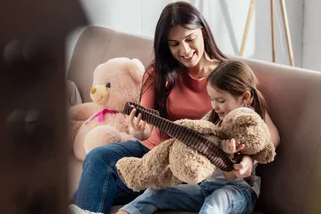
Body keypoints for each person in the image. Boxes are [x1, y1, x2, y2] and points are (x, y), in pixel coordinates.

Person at [68, 1, 262, 214]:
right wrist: (139, 132)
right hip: (151, 153)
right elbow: (144, 126)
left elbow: (266, 131)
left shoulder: (227, 76)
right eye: (174, 44)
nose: (185, 50)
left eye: (190, 39)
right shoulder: (160, 71)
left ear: (203, 33)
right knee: (98, 159)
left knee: (93, 189)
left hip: (190, 164)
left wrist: (247, 158)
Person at [116, 60, 280, 214]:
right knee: (155, 192)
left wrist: (248, 159)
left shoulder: (250, 122)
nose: (215, 106)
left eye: (221, 100)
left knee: (216, 201)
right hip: (206, 186)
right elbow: (194, 135)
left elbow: (272, 139)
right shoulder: (213, 116)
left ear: (245, 98)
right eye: (212, 99)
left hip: (237, 190)